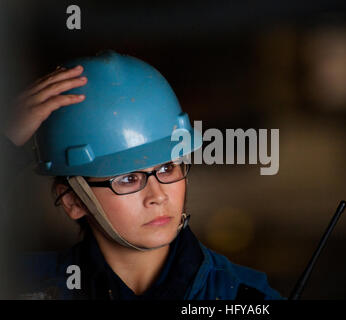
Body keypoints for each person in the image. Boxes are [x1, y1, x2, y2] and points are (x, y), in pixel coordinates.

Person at [2, 50, 284, 300]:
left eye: (166, 168)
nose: (158, 196)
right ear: (72, 201)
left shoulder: (244, 298)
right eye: (127, 179)